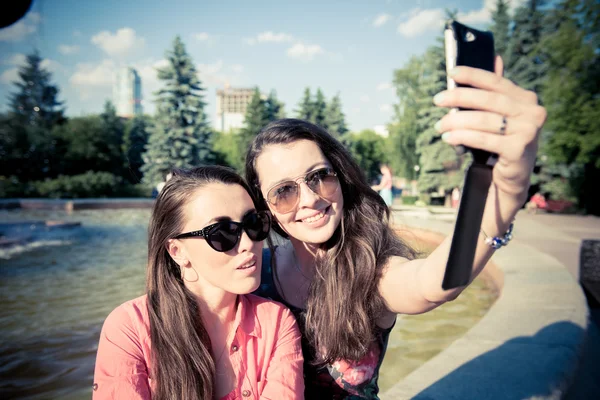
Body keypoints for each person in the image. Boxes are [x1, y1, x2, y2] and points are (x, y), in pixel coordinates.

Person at [245, 59, 547, 399]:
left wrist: (506, 194)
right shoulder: (255, 272)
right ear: (265, 206)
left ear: (340, 177)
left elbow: (433, 284)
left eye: (319, 176)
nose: (311, 199)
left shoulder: (371, 270)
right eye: (284, 191)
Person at [93, 166, 304, 400]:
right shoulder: (130, 328)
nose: (248, 243)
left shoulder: (276, 322)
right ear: (177, 251)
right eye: (223, 233)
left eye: (254, 223)